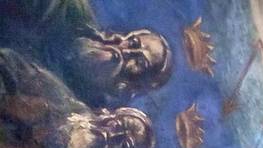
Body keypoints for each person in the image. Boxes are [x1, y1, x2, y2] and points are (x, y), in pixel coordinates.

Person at [0, 48, 154, 148]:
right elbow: (7, 61)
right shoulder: (55, 96)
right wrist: (8, 101)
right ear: (104, 114)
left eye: (124, 146)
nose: (114, 135)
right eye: (119, 125)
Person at [0, 4, 171, 106]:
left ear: (128, 86)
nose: (126, 51)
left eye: (139, 62)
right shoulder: (72, 12)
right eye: (133, 43)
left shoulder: (76, 112)